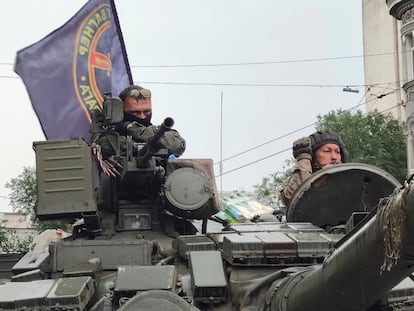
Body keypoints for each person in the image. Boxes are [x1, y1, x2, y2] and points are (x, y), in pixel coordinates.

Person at [92, 85, 186, 176]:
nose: (142, 116)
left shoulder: (160, 132)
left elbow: (177, 145)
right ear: (122, 112)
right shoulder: (109, 139)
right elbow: (105, 146)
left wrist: (131, 127)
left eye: (147, 112)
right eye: (135, 112)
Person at [280, 131, 348, 207]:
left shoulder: (352, 179)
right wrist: (304, 159)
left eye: (337, 152)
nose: (334, 157)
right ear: (313, 156)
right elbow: (292, 200)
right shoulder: (300, 181)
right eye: (327, 151)